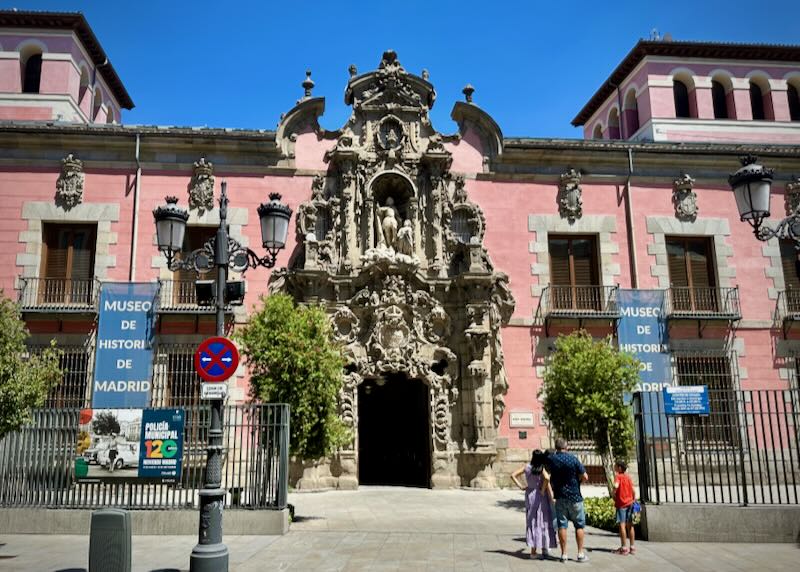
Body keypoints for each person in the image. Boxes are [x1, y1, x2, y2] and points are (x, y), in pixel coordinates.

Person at [547, 437, 589, 563]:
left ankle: (564, 554)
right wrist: (579, 482)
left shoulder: (551, 459)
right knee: (579, 525)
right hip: (575, 497)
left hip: (560, 497)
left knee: (562, 526)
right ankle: (580, 554)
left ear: (556, 447)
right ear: (566, 447)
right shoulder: (573, 459)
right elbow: (585, 476)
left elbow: (545, 474)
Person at [511, 450, 557, 559]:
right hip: (541, 496)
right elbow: (547, 478)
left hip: (530, 494)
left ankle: (533, 551)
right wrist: (543, 489)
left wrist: (521, 486)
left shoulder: (527, 467)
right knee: (542, 520)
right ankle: (544, 547)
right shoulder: (541, 468)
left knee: (532, 521)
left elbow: (513, 475)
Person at [613, 460, 636, 555]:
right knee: (630, 525)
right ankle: (632, 547)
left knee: (622, 525)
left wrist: (613, 493)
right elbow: (633, 491)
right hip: (630, 503)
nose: (614, 467)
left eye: (615, 466)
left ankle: (624, 548)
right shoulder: (628, 477)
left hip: (621, 504)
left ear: (619, 468)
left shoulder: (618, 476)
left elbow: (616, 486)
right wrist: (633, 500)